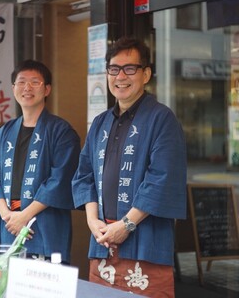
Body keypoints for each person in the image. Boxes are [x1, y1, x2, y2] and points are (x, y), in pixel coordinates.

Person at [72, 37, 187, 297]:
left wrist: (126, 225)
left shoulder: (162, 119)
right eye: (114, 69)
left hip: (144, 246)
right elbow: (85, 176)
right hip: (102, 244)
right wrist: (92, 221)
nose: (120, 76)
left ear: (146, 74)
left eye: (130, 69)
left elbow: (162, 179)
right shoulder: (100, 123)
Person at [0, 59, 81, 263]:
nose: (27, 87)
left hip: (44, 225)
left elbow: (60, 179)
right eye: (21, 82)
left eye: (35, 82)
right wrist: (7, 214)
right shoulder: (5, 132)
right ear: (13, 88)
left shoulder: (61, 132)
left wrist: (25, 216)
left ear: (47, 89)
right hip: (8, 224)